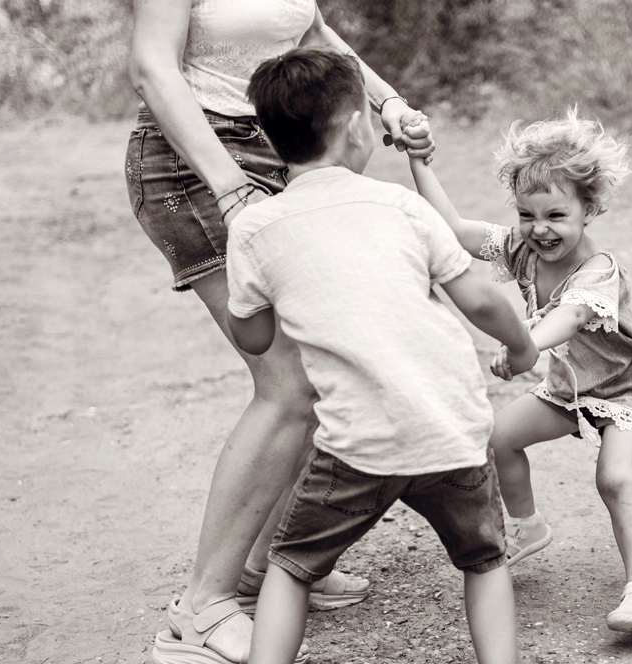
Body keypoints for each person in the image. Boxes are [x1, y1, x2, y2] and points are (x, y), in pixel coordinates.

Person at [125, 2, 434, 663]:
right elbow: (154, 69)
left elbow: (315, 35)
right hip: (193, 165)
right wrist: (229, 185)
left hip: (276, 153)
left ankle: (265, 571)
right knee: (290, 383)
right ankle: (201, 610)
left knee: (323, 370)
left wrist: (389, 106)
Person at [225, 48, 535, 664]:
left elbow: (253, 338)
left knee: (289, 566)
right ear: (358, 126)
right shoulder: (401, 206)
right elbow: (480, 301)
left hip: (357, 447)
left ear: (267, 136)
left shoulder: (255, 228)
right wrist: (522, 347)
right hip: (450, 429)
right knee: (485, 560)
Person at [407, 108, 632, 633]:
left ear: (589, 208)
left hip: (623, 392)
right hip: (568, 389)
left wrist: (522, 346)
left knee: (614, 477)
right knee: (498, 437)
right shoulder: (523, 249)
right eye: (527, 215)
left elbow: (569, 320)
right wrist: (419, 162)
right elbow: (457, 231)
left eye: (555, 216)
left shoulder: (599, 271)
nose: (539, 230)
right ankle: (527, 528)